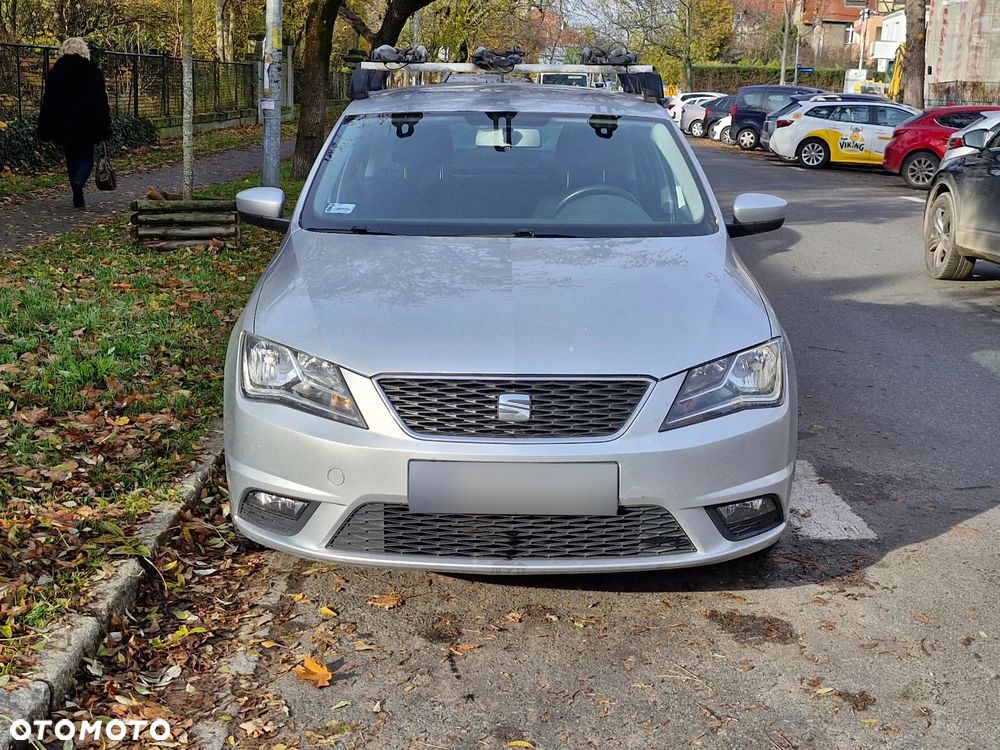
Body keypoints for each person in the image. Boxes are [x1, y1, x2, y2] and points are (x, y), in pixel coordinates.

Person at [37, 38, 111, 208]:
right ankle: (79, 182)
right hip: (88, 122)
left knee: (71, 156)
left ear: (64, 50)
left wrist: (47, 125)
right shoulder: (92, 71)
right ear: (84, 51)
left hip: (64, 122)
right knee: (87, 156)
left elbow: (49, 101)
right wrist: (103, 125)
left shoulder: (56, 72)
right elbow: (100, 101)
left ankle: (75, 187)